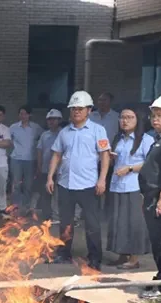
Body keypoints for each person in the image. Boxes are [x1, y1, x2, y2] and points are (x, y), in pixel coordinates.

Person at [46, 91, 110, 270]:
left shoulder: (98, 130)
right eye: (73, 109)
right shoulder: (64, 132)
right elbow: (56, 155)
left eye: (80, 109)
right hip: (65, 184)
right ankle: (64, 253)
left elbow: (105, 156)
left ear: (89, 110)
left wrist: (102, 180)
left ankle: (95, 258)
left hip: (89, 185)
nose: (76, 112)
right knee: (65, 222)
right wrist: (50, 177)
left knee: (93, 224)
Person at [106, 109, 153, 269]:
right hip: (116, 185)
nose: (125, 121)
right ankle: (122, 255)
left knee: (134, 222)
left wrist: (130, 168)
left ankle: (134, 259)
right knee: (119, 221)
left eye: (129, 117)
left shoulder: (146, 140)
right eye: (122, 117)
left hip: (134, 186)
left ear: (137, 120)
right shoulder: (117, 139)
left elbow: (150, 163)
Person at [139, 95, 161, 299]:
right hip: (151, 196)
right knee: (156, 240)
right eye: (153, 115)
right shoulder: (158, 139)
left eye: (160, 115)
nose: (155, 119)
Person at [10, 106, 43, 213]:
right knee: (16, 184)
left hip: (30, 160)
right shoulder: (13, 127)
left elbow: (43, 138)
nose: (23, 116)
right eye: (21, 114)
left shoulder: (36, 128)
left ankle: (26, 207)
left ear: (29, 115)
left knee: (28, 184)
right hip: (16, 159)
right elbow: (7, 141)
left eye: (25, 114)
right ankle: (15, 206)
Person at [36, 109, 63, 223]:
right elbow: (39, 151)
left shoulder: (63, 133)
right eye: (49, 120)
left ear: (59, 120)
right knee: (46, 194)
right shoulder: (44, 135)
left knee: (57, 195)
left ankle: (56, 216)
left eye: (54, 119)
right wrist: (39, 166)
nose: (51, 122)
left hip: (60, 170)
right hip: (45, 169)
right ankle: (47, 216)